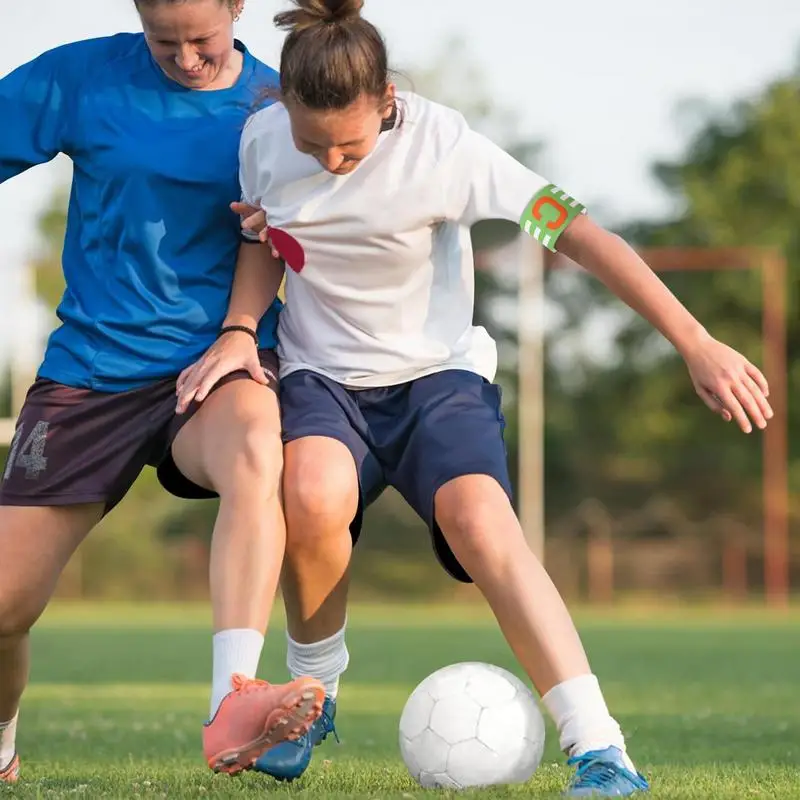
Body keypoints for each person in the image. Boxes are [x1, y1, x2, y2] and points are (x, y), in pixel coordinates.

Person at [176, 0, 774, 794]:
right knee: (311, 493)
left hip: (437, 379)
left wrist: (695, 340)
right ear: (283, 107)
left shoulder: (446, 146)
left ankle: (601, 748)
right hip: (324, 378)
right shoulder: (262, 141)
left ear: (387, 98)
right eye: (311, 143)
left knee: (482, 521)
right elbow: (265, 241)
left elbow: (580, 231)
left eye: (350, 146)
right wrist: (241, 328)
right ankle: (312, 696)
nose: (330, 163)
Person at [0, 0, 327, 785]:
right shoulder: (84, 77)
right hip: (89, 375)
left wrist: (240, 334)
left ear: (237, 9)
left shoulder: (278, 109)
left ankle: (233, 706)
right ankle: (2, 739)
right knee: (4, 612)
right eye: (164, 42)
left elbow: (290, 235)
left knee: (256, 443)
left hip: (211, 368)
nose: (185, 59)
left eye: (202, 40)